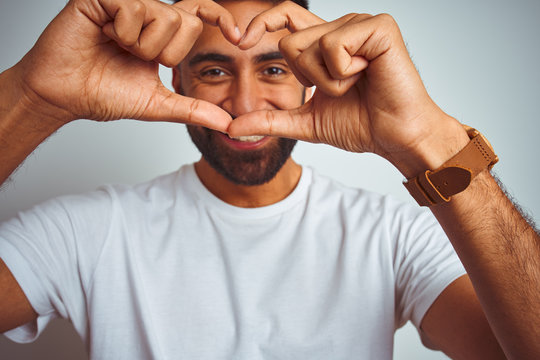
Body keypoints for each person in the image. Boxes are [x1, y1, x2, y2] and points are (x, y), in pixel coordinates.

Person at [0, 0, 538, 359]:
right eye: (214, 72)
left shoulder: (394, 233)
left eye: (274, 70)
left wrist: (429, 143)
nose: (245, 106)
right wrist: (34, 95)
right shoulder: (86, 231)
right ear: (176, 79)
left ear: (310, 82)